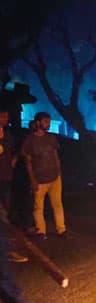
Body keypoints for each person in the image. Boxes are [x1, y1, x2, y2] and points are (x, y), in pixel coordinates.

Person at [21, 112, 66, 241]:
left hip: (54, 177)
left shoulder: (51, 138)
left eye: (49, 121)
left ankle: (61, 229)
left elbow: (55, 156)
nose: (48, 124)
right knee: (38, 206)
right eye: (46, 121)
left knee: (57, 204)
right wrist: (32, 179)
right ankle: (41, 231)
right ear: (38, 123)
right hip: (40, 179)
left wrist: (59, 172)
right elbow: (28, 162)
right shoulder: (30, 140)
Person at [0, 110, 27, 263]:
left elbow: (15, 150)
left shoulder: (8, 135)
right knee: (2, 214)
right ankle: (6, 249)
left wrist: (14, 159)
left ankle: (6, 247)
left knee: (5, 211)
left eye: (6, 116)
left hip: (6, 177)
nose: (5, 119)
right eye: (2, 116)